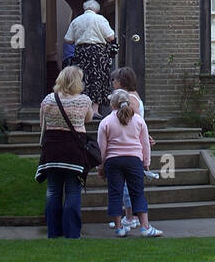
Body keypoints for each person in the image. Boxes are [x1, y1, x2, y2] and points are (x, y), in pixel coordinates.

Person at [35, 65, 95, 239]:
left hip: (52, 150)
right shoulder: (84, 100)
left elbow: (42, 124)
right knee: (73, 191)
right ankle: (72, 232)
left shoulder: (48, 99)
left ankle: (53, 231)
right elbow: (88, 119)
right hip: (74, 151)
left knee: (53, 190)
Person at [97, 88, 163, 237]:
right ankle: (145, 227)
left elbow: (102, 147)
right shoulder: (138, 120)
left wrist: (100, 166)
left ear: (112, 104)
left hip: (113, 161)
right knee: (138, 193)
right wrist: (146, 162)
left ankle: (119, 228)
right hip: (134, 160)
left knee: (115, 193)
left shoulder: (106, 122)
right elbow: (145, 143)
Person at [107, 66, 158, 230]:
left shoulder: (129, 99)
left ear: (120, 82)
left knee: (128, 188)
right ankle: (131, 217)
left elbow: (132, 121)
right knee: (129, 187)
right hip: (132, 145)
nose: (112, 83)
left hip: (129, 147)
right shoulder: (132, 96)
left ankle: (130, 217)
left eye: (114, 80)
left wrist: (145, 137)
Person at [64, 0, 116, 115]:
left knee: (82, 79)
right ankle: (95, 110)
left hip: (81, 52)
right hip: (98, 53)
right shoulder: (100, 19)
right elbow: (111, 37)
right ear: (96, 9)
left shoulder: (76, 21)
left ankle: (82, 109)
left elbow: (68, 39)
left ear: (85, 8)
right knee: (97, 79)